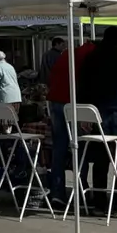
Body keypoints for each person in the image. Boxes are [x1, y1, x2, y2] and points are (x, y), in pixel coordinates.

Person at [78, 26, 117, 218]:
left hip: (98, 111)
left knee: (101, 158)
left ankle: (99, 203)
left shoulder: (92, 58)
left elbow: (83, 85)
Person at [46, 39, 97, 205]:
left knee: (59, 149)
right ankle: (81, 191)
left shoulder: (68, 53)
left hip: (56, 101)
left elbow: (52, 76)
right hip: (75, 104)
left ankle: (57, 193)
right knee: (79, 148)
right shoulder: (91, 56)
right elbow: (89, 83)